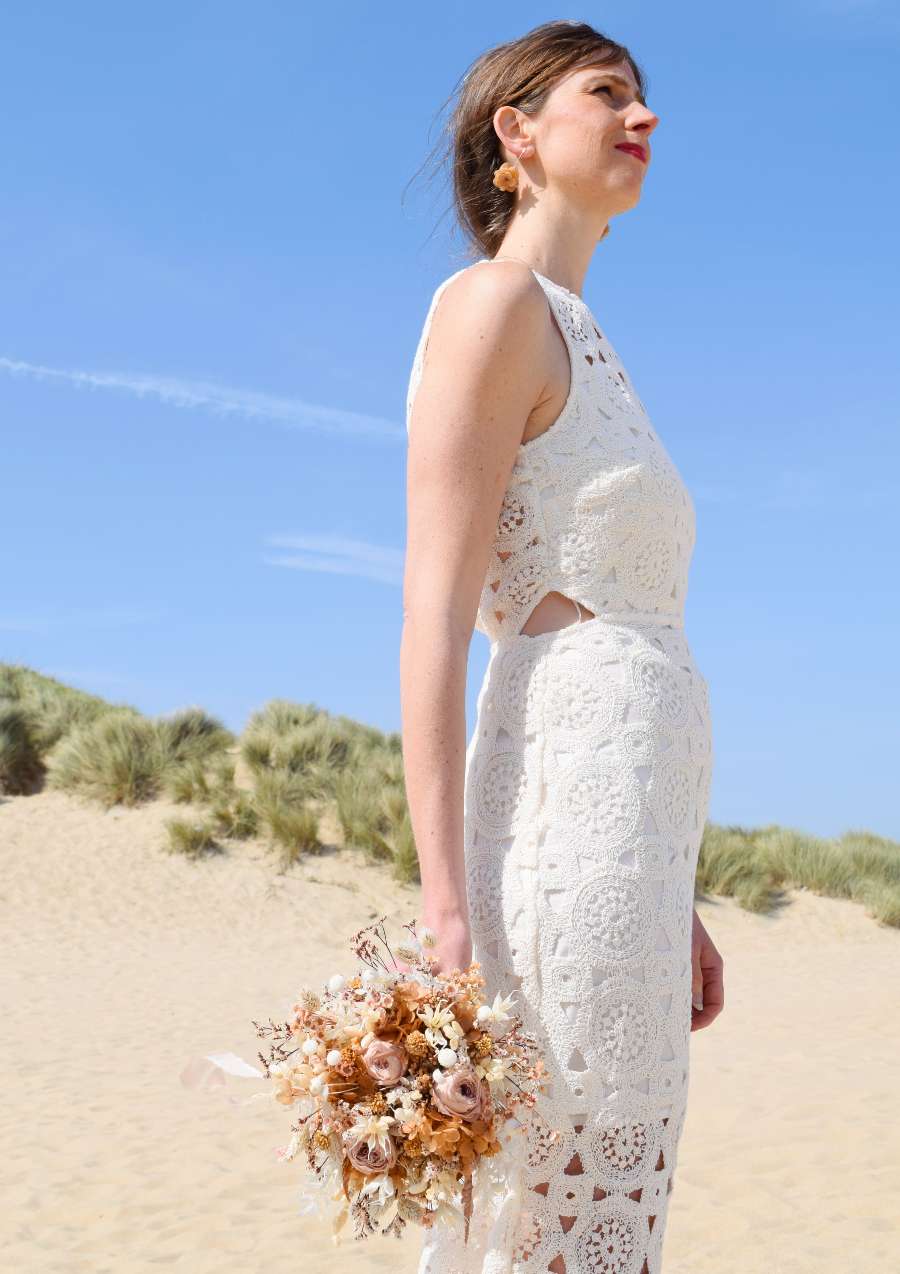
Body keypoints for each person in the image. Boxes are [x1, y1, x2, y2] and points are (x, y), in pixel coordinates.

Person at [401, 19, 724, 1273]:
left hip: (632, 854)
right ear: (516, 137)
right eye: (610, 94)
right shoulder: (493, 308)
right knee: (553, 1211)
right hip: (556, 835)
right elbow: (435, 623)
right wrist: (446, 915)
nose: (643, 120)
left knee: (611, 1218)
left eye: (646, 100)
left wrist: (676, 889)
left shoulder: (590, 335)